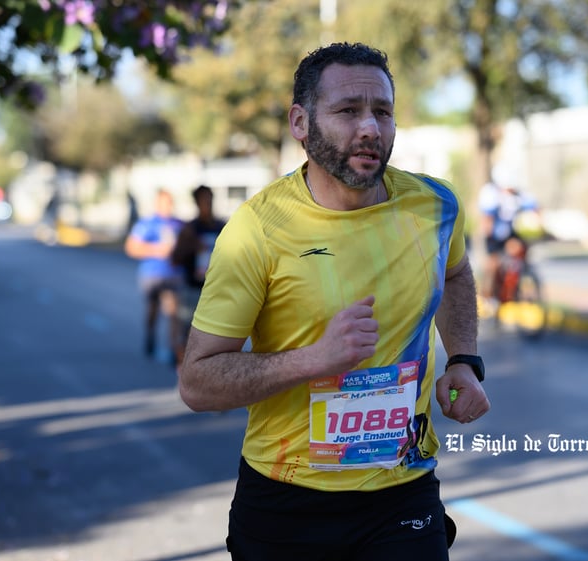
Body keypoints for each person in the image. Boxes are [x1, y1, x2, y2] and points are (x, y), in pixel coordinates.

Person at [177, 42, 490, 561]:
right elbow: (197, 383)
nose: (370, 127)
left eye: (383, 112)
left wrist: (463, 360)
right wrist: (314, 359)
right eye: (348, 111)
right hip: (287, 501)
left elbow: (455, 273)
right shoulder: (257, 230)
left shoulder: (435, 206)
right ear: (300, 123)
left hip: (402, 490)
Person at [124, 189, 184, 360]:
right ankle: (150, 336)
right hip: (152, 275)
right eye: (164, 202)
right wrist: (157, 250)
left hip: (173, 275)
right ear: (158, 203)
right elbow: (132, 248)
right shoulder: (147, 223)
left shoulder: (178, 224)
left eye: (170, 202)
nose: (168, 206)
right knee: (153, 310)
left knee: (173, 312)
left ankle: (174, 347)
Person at [170, 185, 226, 366]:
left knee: (217, 334)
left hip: (216, 289)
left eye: (209, 199)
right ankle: (184, 369)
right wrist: (192, 246)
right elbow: (174, 259)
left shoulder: (222, 227)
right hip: (193, 288)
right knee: (189, 331)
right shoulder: (189, 229)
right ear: (196, 202)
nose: (207, 204)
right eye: (203, 200)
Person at [477, 163, 539, 301]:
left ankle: (519, 286)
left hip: (513, 233)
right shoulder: (491, 193)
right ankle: (487, 294)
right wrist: (488, 232)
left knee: (521, 254)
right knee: (492, 264)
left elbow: (534, 207)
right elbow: (487, 219)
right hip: (495, 236)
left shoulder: (519, 195)